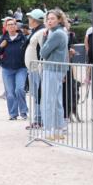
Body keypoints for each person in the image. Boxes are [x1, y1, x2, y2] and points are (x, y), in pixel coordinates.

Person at [40, 9, 69, 138]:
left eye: (52, 18)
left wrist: (45, 36)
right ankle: (57, 129)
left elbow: (43, 52)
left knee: (47, 101)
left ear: (59, 19)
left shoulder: (56, 34)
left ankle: (48, 130)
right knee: (56, 101)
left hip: (51, 69)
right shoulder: (62, 32)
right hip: (57, 70)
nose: (49, 21)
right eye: (48, 19)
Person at [0, 18, 29, 120]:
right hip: (7, 69)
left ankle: (23, 111)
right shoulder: (3, 39)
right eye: (8, 25)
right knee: (10, 93)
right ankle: (13, 114)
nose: (11, 26)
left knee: (19, 90)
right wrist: (1, 46)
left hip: (21, 68)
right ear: (6, 27)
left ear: (16, 26)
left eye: (13, 24)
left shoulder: (22, 38)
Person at [24, 9, 46, 128]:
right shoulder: (36, 31)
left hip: (37, 68)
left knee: (39, 94)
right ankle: (37, 119)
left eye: (30, 18)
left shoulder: (41, 31)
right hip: (33, 68)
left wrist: (39, 66)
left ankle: (39, 119)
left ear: (34, 19)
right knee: (36, 94)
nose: (28, 20)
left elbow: (42, 50)